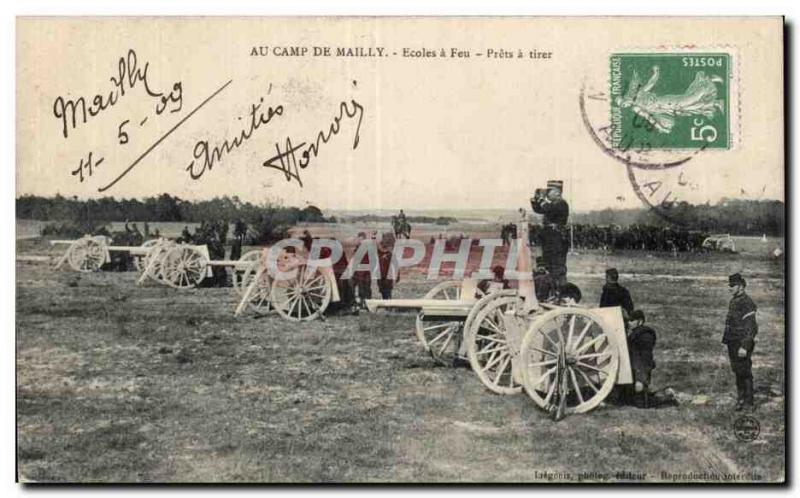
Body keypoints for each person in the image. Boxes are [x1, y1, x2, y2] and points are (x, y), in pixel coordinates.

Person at [723, 273, 758, 411]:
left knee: (745, 371)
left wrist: (745, 346)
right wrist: (726, 339)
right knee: (737, 370)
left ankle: (749, 402)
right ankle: (741, 399)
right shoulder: (734, 300)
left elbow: (751, 328)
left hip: (742, 343)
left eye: (732, 285)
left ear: (741, 286)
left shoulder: (747, 303)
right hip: (733, 342)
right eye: (729, 285)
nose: (729, 288)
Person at [531, 180, 569, 295]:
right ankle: (552, 291)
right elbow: (540, 209)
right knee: (548, 266)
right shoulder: (553, 204)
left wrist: (542, 200)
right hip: (550, 239)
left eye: (550, 191)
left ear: (557, 192)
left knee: (557, 267)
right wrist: (535, 199)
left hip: (556, 240)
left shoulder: (561, 203)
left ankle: (560, 292)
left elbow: (547, 209)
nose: (547, 193)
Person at [626, 309, 657, 408]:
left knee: (642, 403)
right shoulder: (635, 334)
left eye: (632, 320)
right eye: (629, 320)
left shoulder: (645, 337)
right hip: (634, 371)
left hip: (640, 372)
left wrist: (640, 380)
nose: (629, 323)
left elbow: (645, 360)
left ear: (640, 321)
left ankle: (668, 397)